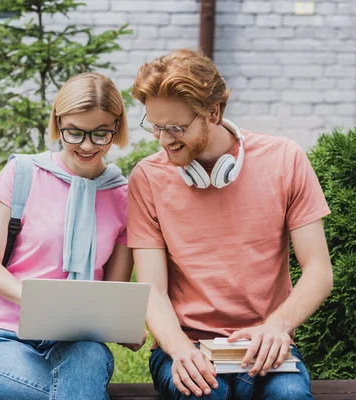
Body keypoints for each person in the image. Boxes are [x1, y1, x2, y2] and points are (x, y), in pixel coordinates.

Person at [127, 48, 333, 400]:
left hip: (266, 344)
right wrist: (178, 349)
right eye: (156, 127)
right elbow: (151, 291)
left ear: (214, 112)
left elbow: (318, 271)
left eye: (176, 128)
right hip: (186, 345)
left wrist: (277, 327)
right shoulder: (147, 177)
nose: (163, 140)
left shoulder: (285, 159)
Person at [0, 72, 139, 400]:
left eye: (101, 134)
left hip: (78, 341)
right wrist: (39, 303)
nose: (87, 146)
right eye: (75, 132)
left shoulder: (123, 196)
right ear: (58, 124)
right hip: (2, 336)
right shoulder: (22, 173)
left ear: (117, 129)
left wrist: (121, 326)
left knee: (85, 367)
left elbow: (113, 290)